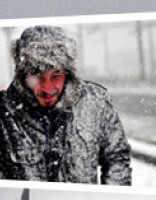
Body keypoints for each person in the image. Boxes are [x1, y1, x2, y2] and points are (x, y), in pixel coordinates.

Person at [0, 25, 132, 184]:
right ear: (23, 75)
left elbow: (116, 157)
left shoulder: (95, 102)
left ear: (67, 74)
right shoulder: (4, 113)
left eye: (56, 76)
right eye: (37, 75)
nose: (47, 89)